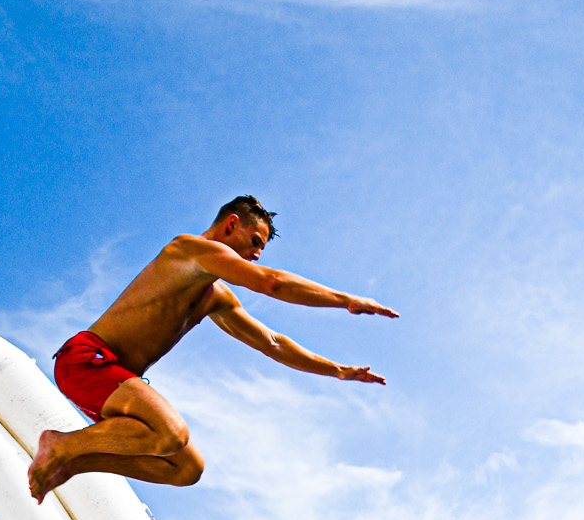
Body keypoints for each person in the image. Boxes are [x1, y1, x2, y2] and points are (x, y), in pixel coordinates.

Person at [28, 195, 396, 502]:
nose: (256, 256)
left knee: (187, 468)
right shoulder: (186, 250)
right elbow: (271, 284)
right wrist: (346, 300)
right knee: (171, 434)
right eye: (254, 242)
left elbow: (272, 343)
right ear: (231, 225)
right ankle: (61, 445)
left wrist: (338, 370)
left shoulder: (214, 297)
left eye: (260, 250)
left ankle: (71, 463)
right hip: (87, 361)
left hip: (113, 382)